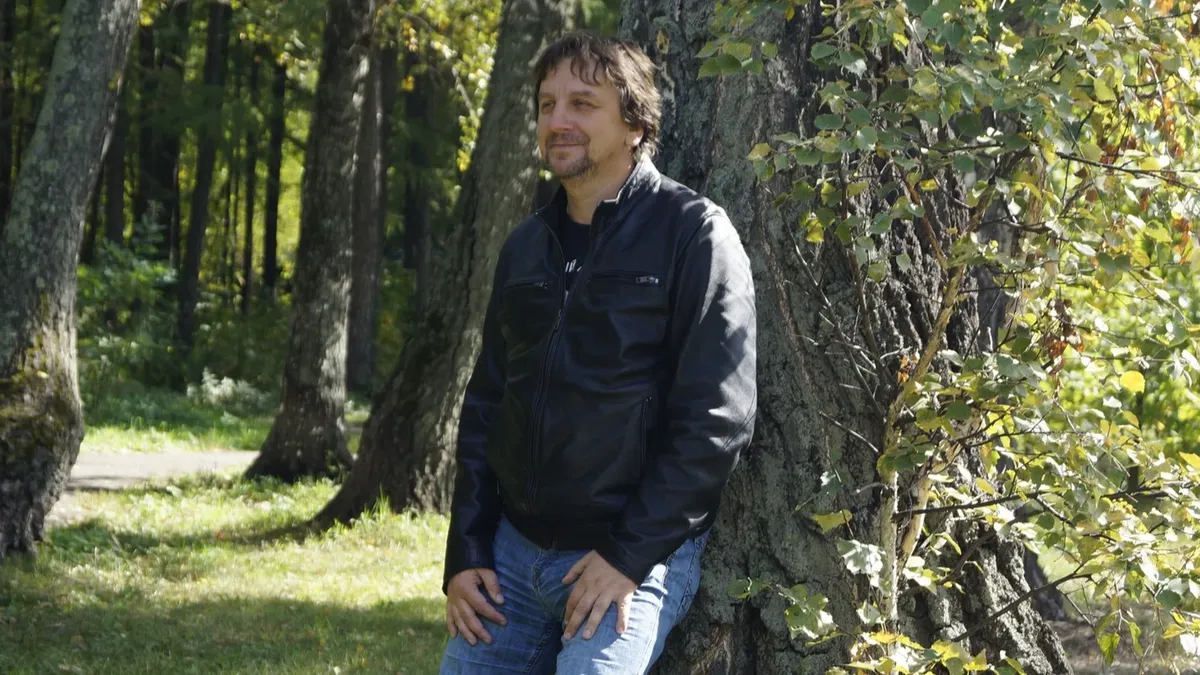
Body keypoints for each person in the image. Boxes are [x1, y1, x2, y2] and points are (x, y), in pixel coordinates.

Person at [439, 31, 757, 675]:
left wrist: (627, 556)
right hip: (508, 560)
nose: (558, 120)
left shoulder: (694, 234)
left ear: (635, 124)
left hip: (628, 557)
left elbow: (717, 420)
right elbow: (487, 405)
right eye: (547, 104)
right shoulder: (525, 246)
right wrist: (466, 552)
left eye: (582, 104)